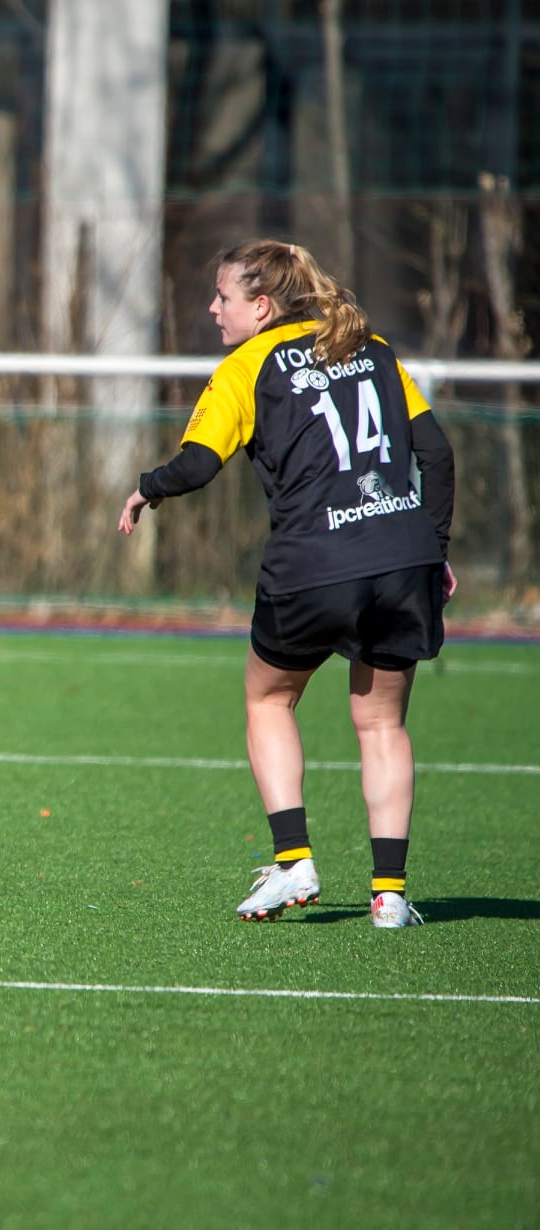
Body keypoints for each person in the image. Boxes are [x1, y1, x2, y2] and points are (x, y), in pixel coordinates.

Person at [118, 239, 455, 928]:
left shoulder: (246, 366)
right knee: (383, 722)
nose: (214, 309)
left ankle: (293, 860)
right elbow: (438, 456)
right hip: (401, 554)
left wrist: (145, 490)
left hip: (313, 564)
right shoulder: (374, 347)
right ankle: (389, 894)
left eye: (224, 298)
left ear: (262, 305)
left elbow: (197, 465)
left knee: (268, 700)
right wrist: (435, 550)